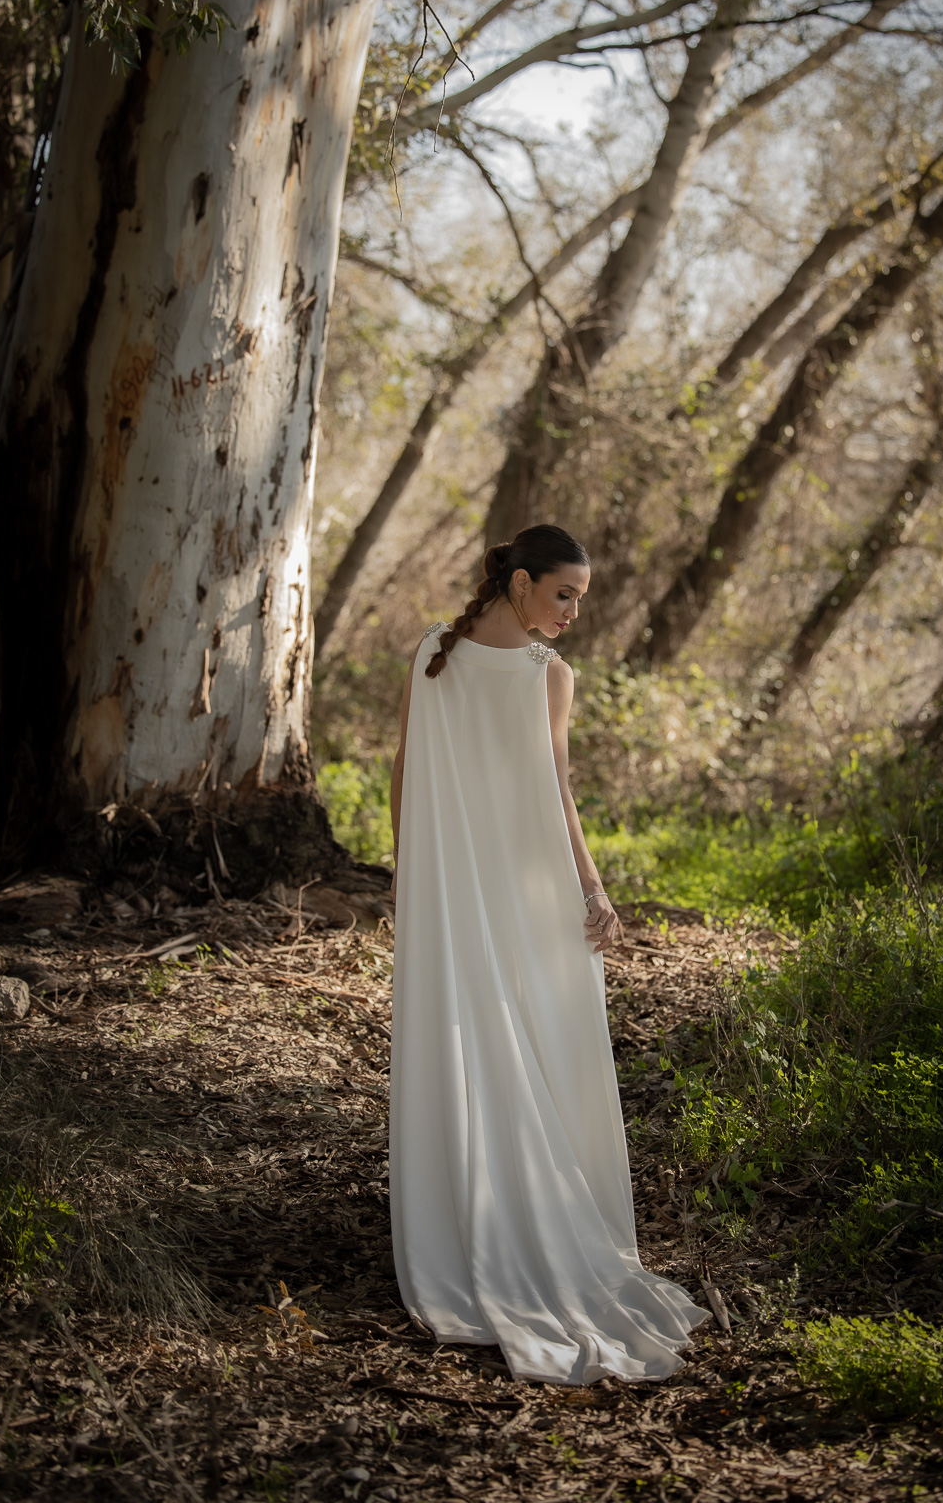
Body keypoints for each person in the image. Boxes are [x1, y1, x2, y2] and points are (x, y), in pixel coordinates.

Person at [388, 523, 707, 1384]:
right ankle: (471, 1225)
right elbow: (409, 771)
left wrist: (593, 893)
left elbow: (555, 790)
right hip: (457, 895)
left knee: (543, 1040)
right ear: (521, 582)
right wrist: (413, 883)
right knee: (473, 1047)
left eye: (581, 599)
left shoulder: (546, 676)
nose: (572, 613)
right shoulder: (436, 656)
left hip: (524, 895)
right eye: (563, 594)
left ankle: (536, 1213)